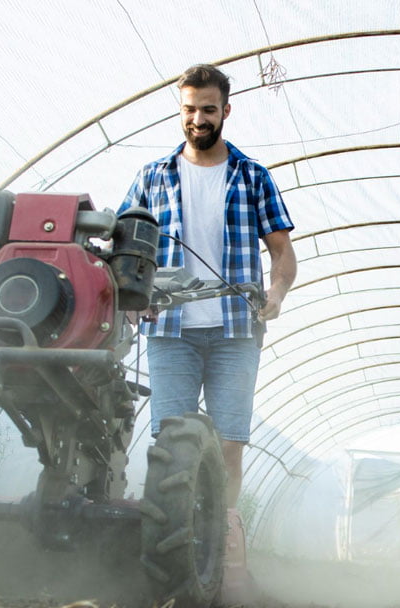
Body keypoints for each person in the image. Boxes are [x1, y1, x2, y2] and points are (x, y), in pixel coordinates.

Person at [120, 63, 296, 515]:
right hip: (169, 329)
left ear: (226, 111)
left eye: (209, 110)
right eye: (190, 109)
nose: (198, 119)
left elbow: (282, 251)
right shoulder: (152, 177)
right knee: (170, 442)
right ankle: (174, 537)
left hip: (236, 331)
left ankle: (217, 543)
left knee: (228, 444)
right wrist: (130, 298)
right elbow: (124, 248)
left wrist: (276, 293)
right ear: (181, 110)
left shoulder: (252, 176)